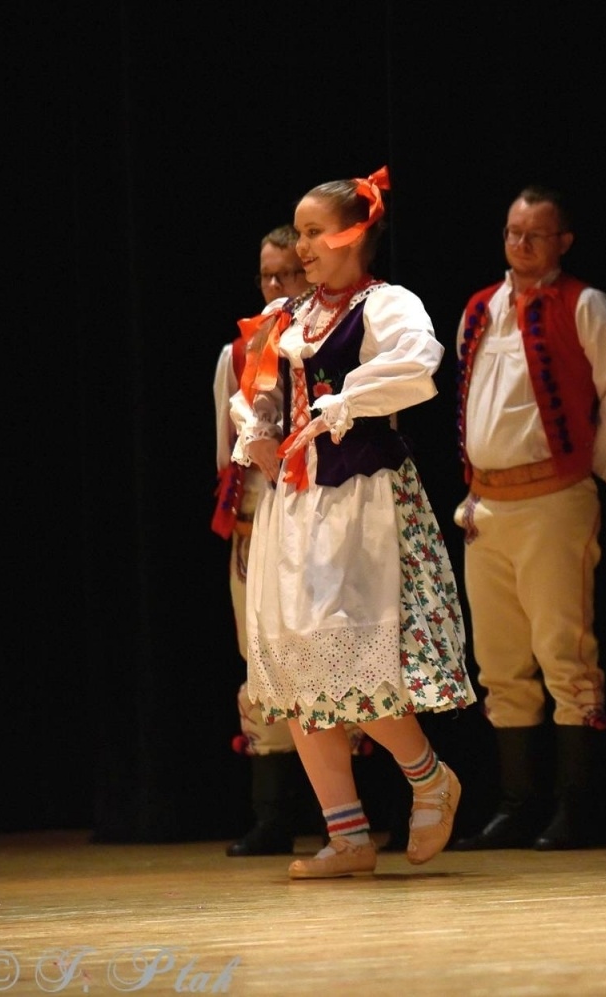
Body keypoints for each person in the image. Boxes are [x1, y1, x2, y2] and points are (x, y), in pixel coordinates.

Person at [229, 167, 472, 879]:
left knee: (352, 656)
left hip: (360, 498)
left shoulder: (385, 304)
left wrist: (347, 401)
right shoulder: (292, 317)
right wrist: (260, 424)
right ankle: (348, 835)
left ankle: (429, 778)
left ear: (354, 233)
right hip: (297, 504)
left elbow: (420, 362)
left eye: (312, 232)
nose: (302, 247)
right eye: (298, 233)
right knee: (301, 663)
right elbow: (260, 389)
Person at [450, 185, 606, 852]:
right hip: (488, 504)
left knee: (564, 654)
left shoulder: (585, 305)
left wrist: (592, 482)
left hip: (553, 502)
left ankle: (577, 806)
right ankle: (516, 804)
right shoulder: (480, 309)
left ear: (563, 240)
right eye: (513, 233)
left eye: (536, 234)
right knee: (500, 662)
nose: (522, 245)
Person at [212, 225, 311, 856]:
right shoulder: (239, 349)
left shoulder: (322, 341)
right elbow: (229, 458)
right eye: (266, 276)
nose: (275, 286)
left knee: (328, 652)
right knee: (261, 663)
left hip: (314, 522)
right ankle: (272, 815)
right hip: (257, 526)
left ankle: (347, 812)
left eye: (287, 275)